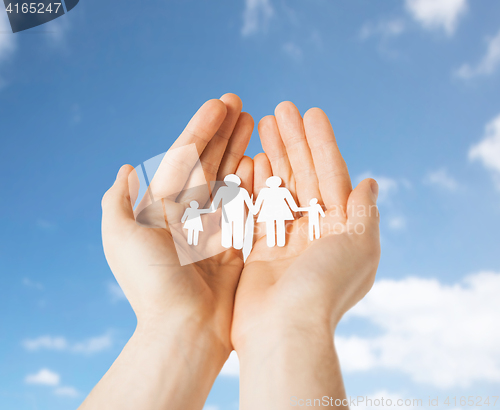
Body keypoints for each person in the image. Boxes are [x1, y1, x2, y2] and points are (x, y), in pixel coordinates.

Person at [81, 94, 380, 410]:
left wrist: (293, 318)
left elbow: (261, 205)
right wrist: (179, 316)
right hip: (226, 225)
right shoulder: (229, 198)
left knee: (268, 232)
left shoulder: (243, 197)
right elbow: (252, 205)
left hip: (265, 221)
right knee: (238, 232)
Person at [209, 173, 254, 249]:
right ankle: (233, 244)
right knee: (232, 228)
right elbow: (215, 203)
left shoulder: (241, 191)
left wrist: (210, 209)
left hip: (234, 214)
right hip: (230, 214)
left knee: (233, 228)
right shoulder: (240, 191)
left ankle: (235, 244)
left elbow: (215, 203)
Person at [253, 175, 299, 247]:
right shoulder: (281, 190)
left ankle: (278, 242)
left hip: (274, 211)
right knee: (276, 225)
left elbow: (291, 203)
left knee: (275, 225)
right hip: (274, 211)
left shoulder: (280, 190)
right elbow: (258, 202)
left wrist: (254, 210)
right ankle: (276, 242)